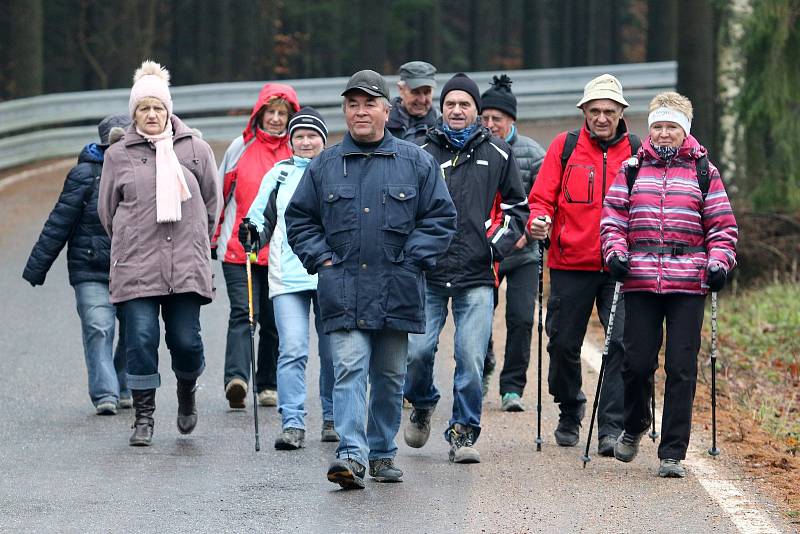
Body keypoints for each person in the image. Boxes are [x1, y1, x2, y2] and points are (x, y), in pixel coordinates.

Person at [285, 70, 457, 489]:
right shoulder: (324, 165)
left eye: (368, 103)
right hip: (342, 288)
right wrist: (322, 259)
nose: (360, 111)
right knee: (348, 367)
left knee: (389, 377)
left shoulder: (416, 162)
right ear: (345, 110)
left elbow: (440, 218)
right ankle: (350, 453)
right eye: (352, 104)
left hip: (397, 289)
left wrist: (412, 260)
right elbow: (299, 219)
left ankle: (381, 452)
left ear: (386, 109)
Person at [601, 91, 737, 478]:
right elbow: (612, 220)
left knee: (681, 368)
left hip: (689, 284)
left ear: (684, 131)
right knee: (635, 363)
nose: (663, 133)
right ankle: (636, 423)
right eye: (657, 126)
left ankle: (672, 451)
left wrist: (718, 263)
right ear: (650, 129)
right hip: (640, 278)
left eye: (671, 127)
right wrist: (614, 254)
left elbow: (723, 228)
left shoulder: (704, 172)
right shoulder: (631, 169)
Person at [403, 73, 529, 464]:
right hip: (429, 272)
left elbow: (515, 209)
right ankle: (422, 402)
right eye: (451, 104)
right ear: (442, 108)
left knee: (471, 358)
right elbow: (404, 206)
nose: (457, 110)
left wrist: (492, 248)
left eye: (465, 105)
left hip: (476, 274)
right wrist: (414, 249)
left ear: (477, 112)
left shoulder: (498, 153)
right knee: (418, 353)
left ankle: (463, 431)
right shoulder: (420, 150)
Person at [98, 60, 221, 447]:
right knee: (141, 339)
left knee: (185, 341)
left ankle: (187, 389)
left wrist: (197, 241)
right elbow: (107, 212)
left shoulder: (196, 150)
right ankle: (144, 416)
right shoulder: (117, 155)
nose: (151, 115)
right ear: (134, 114)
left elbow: (212, 206)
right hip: (137, 266)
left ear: (169, 110)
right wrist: (132, 241)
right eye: (143, 109)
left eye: (158, 108)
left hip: (185, 264)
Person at [528, 74, 638, 456]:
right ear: (584, 113)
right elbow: (541, 198)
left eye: (609, 111)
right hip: (570, 263)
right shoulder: (565, 146)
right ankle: (570, 406)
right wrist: (538, 220)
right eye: (595, 111)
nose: (602, 118)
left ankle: (610, 426)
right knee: (561, 343)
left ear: (621, 112)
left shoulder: (638, 151)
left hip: (619, 267)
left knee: (621, 343)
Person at [240, 107, 338, 449]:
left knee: (334, 353)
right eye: (300, 136)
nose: (306, 141)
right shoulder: (279, 174)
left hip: (330, 273)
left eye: (313, 136)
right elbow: (260, 217)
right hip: (288, 277)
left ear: (323, 141)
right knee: (293, 349)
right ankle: (293, 423)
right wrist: (252, 232)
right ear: (291, 141)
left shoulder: (338, 171)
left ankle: (332, 418)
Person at [23, 115, 132, 415]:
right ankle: (105, 393)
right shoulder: (84, 174)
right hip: (91, 268)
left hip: (134, 269)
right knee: (99, 328)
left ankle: (124, 384)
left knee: (135, 332)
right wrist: (37, 266)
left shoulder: (144, 172)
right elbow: (60, 221)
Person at [215, 83, 300, 409]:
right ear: (260, 113)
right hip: (240, 249)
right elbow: (220, 193)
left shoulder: (297, 152)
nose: (276, 119)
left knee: (274, 320)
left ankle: (268, 384)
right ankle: (236, 380)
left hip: (282, 251)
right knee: (243, 313)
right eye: (271, 112)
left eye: (283, 113)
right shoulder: (240, 147)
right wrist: (214, 235)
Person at [479, 74, 547, 411]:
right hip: (484, 252)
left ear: (512, 121)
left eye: (498, 119)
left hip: (523, 253)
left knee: (521, 318)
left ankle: (512, 387)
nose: (491, 125)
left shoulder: (533, 154)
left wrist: (529, 227)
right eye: (486, 118)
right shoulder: (474, 148)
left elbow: (544, 198)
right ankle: (483, 364)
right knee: (478, 316)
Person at [386, 61, 439, 142]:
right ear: (401, 90)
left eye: (427, 92)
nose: (422, 100)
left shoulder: (441, 125)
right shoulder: (382, 122)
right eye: (415, 92)